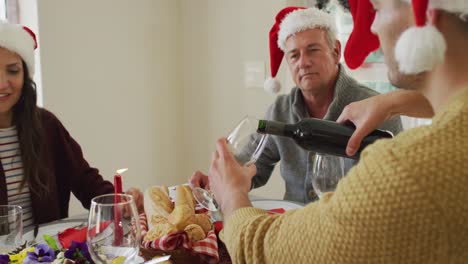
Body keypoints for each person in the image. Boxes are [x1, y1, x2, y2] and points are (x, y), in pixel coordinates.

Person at [207, 0, 468, 262]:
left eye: (378, 10)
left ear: (426, 12)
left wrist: (232, 196)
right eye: (294, 55)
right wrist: (393, 102)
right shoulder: (283, 108)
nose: (374, 27)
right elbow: (253, 165)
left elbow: (263, 251)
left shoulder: (402, 168)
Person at [191, 7, 403, 203]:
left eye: (313, 50)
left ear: (336, 51)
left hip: (353, 231)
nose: (303, 62)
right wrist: (217, 181)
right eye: (294, 55)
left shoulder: (377, 111)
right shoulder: (279, 111)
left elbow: (394, 190)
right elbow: (251, 168)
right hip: (292, 230)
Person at [0, 21, 143, 227]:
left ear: (25, 74)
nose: (3, 83)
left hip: (42, 254)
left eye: (13, 71)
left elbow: (84, 181)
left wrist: (117, 201)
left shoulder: (46, 125)